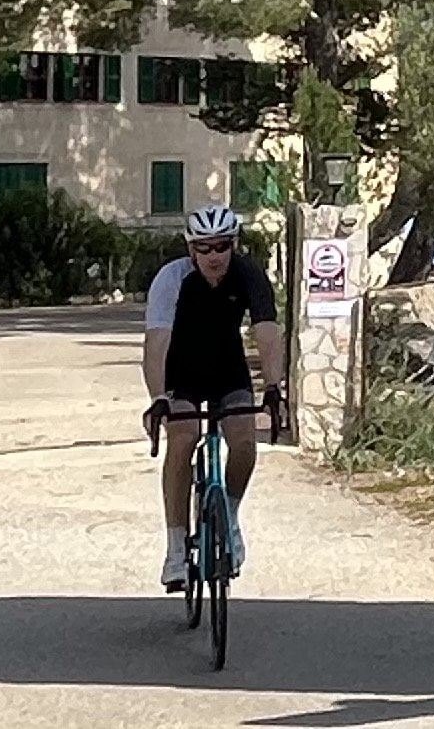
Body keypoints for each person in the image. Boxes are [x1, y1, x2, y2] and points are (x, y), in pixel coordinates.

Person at [141, 203, 285, 590]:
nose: (214, 255)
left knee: (244, 442)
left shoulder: (249, 274)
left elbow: (267, 331)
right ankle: (175, 549)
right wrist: (158, 397)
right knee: (183, 439)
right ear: (191, 250)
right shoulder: (172, 279)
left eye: (222, 246)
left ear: (233, 245)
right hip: (182, 372)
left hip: (227, 369)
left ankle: (230, 518)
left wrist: (274, 387)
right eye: (204, 248)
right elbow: (156, 342)